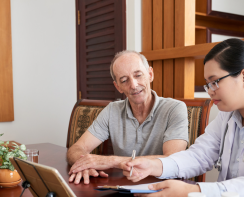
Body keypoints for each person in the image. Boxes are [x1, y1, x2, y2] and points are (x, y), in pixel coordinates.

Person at [71, 39, 244, 197]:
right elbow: (198, 156)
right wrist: (152, 165)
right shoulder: (227, 117)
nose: (209, 92)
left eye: (214, 82)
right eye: (206, 85)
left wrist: (197, 191)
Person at [67, 50, 189, 184]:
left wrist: (111, 161)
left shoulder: (175, 108)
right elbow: (76, 149)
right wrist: (84, 165)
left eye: (138, 75)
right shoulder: (112, 110)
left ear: (150, 74)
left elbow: (172, 159)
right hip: (123, 187)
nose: (134, 85)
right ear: (118, 87)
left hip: (162, 188)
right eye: (124, 80)